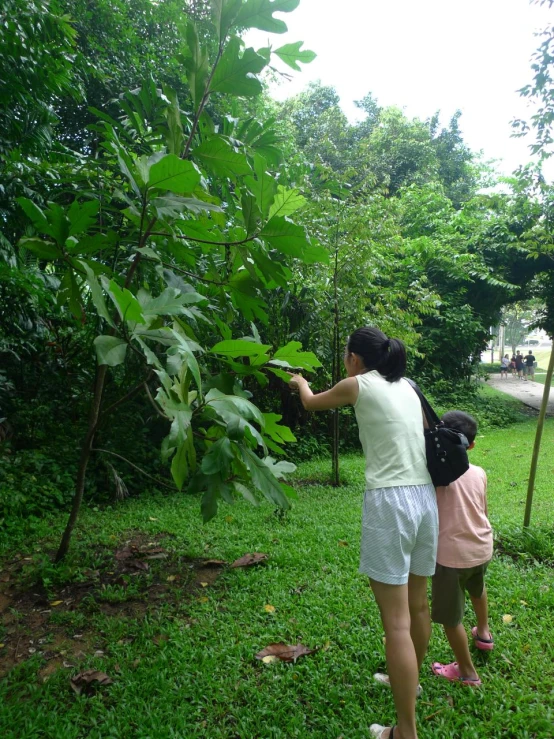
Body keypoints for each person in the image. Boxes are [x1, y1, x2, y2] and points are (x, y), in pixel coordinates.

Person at [288, 327, 437, 739]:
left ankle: (404, 731)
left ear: (355, 358)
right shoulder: (408, 385)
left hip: (390, 502)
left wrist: (300, 381)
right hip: (425, 499)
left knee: (396, 623)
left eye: (345, 354)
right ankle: (410, 680)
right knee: (417, 607)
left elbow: (311, 403)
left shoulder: (356, 385)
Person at [430, 411, 493, 686]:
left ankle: (467, 672)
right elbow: (483, 509)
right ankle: (484, 633)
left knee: (450, 617)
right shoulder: (479, 472)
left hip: (451, 558)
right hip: (482, 547)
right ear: (471, 445)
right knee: (477, 588)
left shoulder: (434, 477)